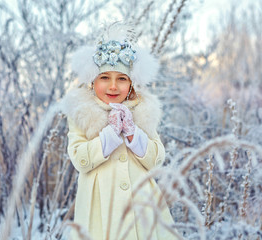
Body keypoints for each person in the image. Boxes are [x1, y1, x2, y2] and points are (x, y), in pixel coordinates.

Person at [61, 23, 177, 240]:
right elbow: (80, 160)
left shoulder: (143, 112)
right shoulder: (81, 113)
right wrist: (110, 134)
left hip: (142, 208)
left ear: (132, 84)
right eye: (105, 77)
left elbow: (156, 159)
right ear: (92, 81)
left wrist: (133, 133)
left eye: (121, 79)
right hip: (100, 210)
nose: (113, 86)